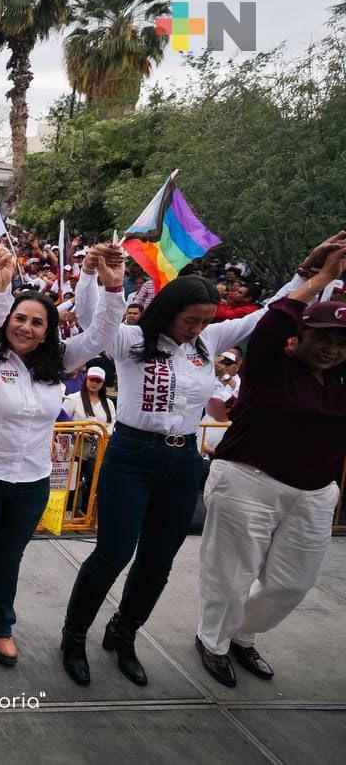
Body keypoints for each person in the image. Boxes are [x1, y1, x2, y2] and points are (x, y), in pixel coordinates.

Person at [59, 234, 340, 688]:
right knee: (112, 553)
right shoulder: (130, 340)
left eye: (205, 321)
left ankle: (124, 632)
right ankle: (74, 637)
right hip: (132, 454)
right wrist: (100, 280)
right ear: (168, 312)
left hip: (182, 461)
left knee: (158, 561)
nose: (197, 328)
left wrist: (305, 276)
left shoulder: (209, 341)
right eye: (190, 320)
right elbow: (96, 323)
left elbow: (266, 314)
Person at [0, 242, 124, 665]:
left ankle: (0, 625)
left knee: (10, 556)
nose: (26, 327)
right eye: (19, 318)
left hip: (31, 481)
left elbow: (100, 335)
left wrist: (111, 289)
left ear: (49, 330)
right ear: (7, 320)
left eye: (37, 322)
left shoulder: (59, 361)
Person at [194, 242, 346, 686]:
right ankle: (214, 641)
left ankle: (242, 633)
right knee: (231, 573)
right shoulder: (268, 365)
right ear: (297, 338)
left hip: (315, 492)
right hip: (248, 479)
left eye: (340, 343)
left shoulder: (339, 381)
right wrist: (316, 277)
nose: (330, 349)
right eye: (321, 338)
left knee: (290, 584)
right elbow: (271, 322)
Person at [61, 367, 115, 514]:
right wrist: (78, 432)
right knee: (73, 481)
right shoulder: (73, 398)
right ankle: (67, 511)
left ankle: (87, 511)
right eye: (92, 379)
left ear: (103, 383)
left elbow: (111, 424)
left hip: (98, 450)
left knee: (93, 482)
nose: (94, 383)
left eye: (98, 381)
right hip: (75, 448)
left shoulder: (108, 403)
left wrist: (102, 434)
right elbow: (62, 422)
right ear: (86, 379)